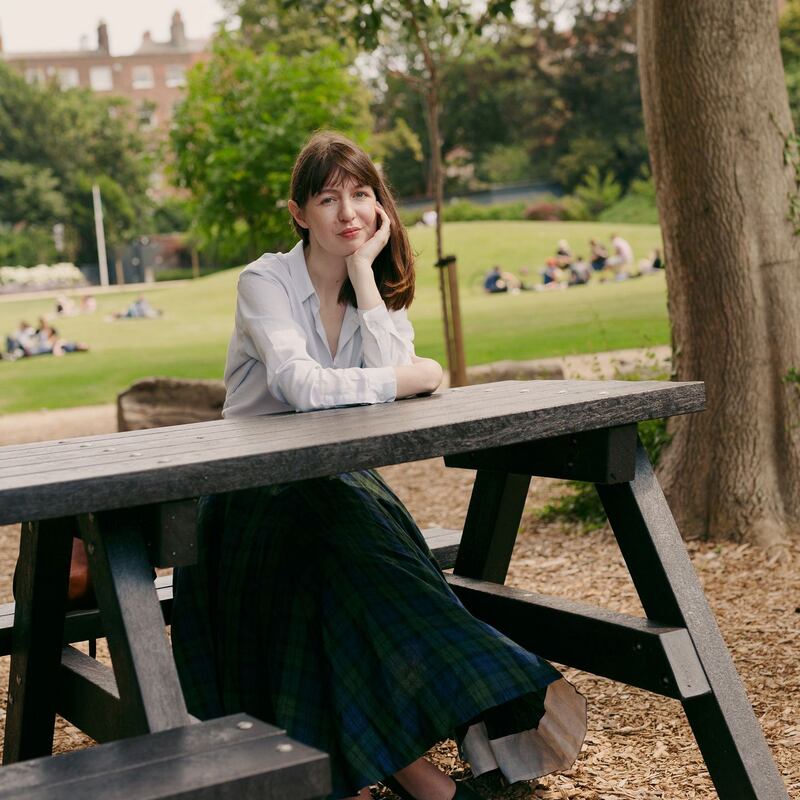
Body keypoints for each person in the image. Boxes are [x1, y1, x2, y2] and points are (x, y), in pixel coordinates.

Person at [170, 132, 586, 800]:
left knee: (349, 570)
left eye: (361, 193)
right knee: (335, 564)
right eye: (327, 198)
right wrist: (410, 376)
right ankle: (421, 775)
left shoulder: (376, 287)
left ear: (380, 204)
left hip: (337, 487)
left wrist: (365, 274)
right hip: (248, 493)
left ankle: (400, 766)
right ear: (299, 212)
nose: (347, 212)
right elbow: (304, 386)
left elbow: (396, 393)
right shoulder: (264, 282)